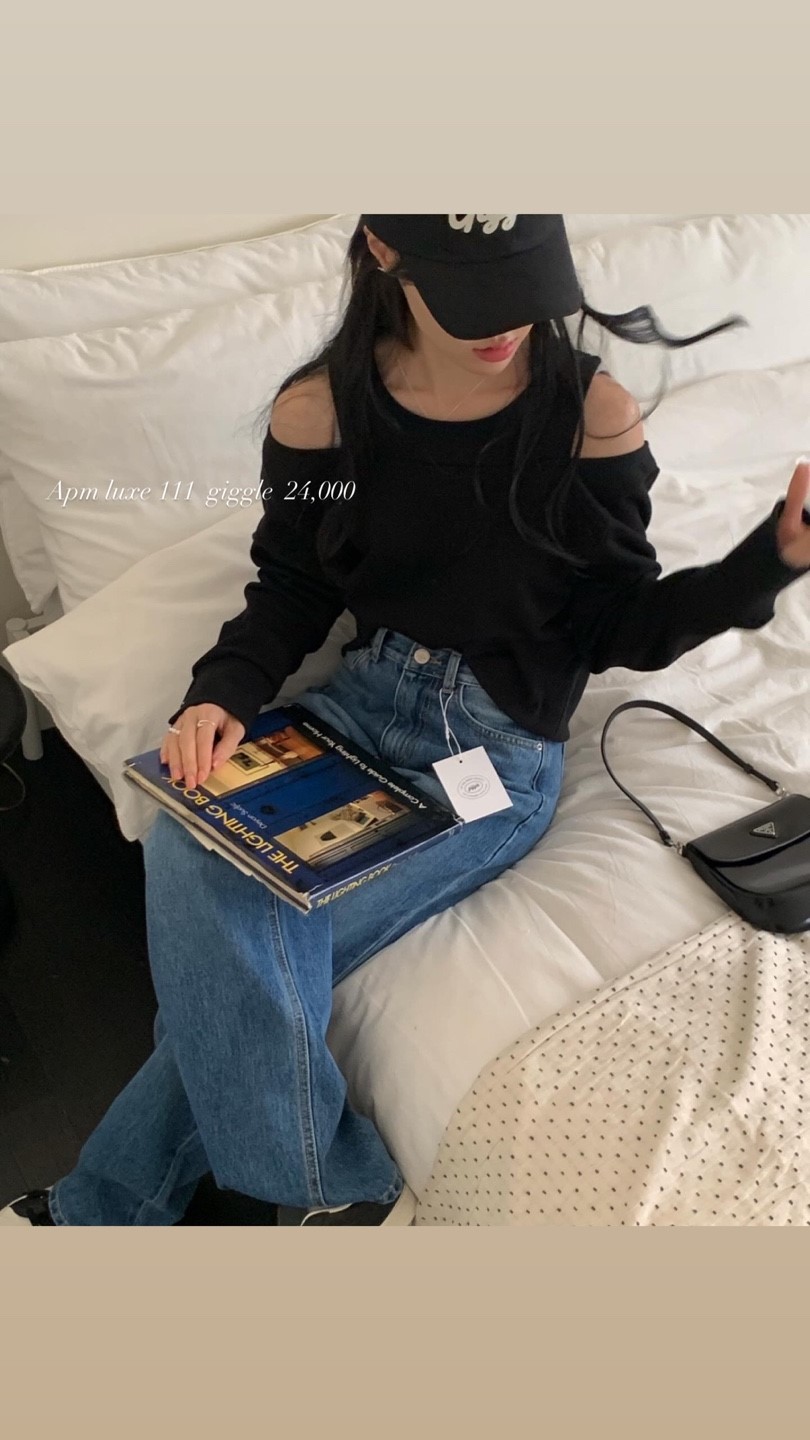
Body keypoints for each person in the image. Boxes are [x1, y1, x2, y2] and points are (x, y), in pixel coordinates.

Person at [4, 214, 810, 1228]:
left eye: (525, 288)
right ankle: (314, 1185)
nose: (507, 325)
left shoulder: (586, 415)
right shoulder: (320, 417)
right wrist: (220, 694)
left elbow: (619, 625)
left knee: (248, 952)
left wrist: (766, 564)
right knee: (189, 838)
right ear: (384, 250)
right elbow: (291, 586)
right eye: (476, 295)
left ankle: (102, 1212)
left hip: (494, 752)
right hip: (353, 710)